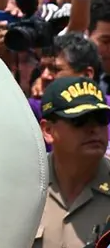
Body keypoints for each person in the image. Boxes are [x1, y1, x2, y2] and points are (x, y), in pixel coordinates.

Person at [34, 76, 110, 248]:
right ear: (48, 131)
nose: (94, 129)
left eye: (101, 118)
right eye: (80, 120)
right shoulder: (23, 187)